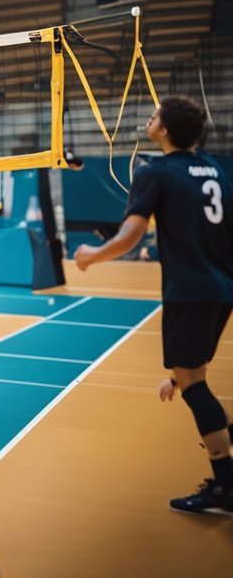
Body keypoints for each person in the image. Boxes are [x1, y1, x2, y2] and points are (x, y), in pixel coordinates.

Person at [75, 97, 233, 513]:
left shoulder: (154, 173)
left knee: (196, 389)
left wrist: (92, 254)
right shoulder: (215, 169)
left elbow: (129, 236)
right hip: (221, 289)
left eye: (155, 114)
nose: (150, 117)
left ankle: (226, 486)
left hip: (190, 290)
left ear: (164, 130)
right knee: (190, 376)